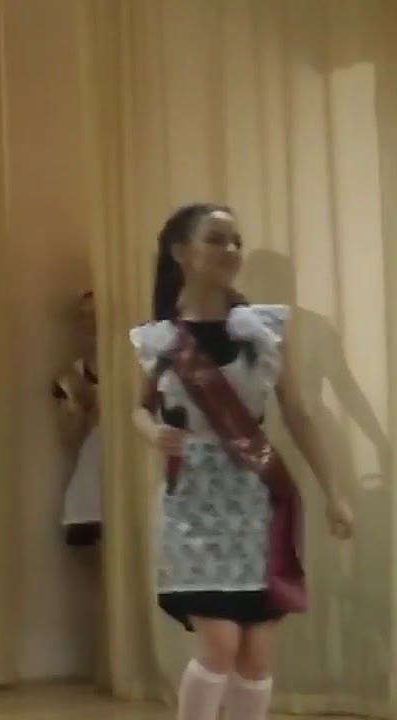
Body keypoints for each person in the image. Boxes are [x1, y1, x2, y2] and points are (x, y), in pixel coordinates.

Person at [128, 204, 353, 720]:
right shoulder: (161, 340)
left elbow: (298, 413)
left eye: (236, 241)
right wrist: (151, 432)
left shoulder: (264, 331)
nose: (230, 251)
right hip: (191, 506)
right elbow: (138, 408)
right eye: (215, 239)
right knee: (219, 645)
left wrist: (334, 493)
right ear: (182, 252)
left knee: (255, 656)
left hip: (257, 500)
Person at [53, 290, 102, 546]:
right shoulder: (72, 376)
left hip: (131, 483)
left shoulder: (137, 368)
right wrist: (79, 405)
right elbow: (69, 440)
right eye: (83, 316)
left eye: (96, 315)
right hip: (90, 494)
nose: (90, 323)